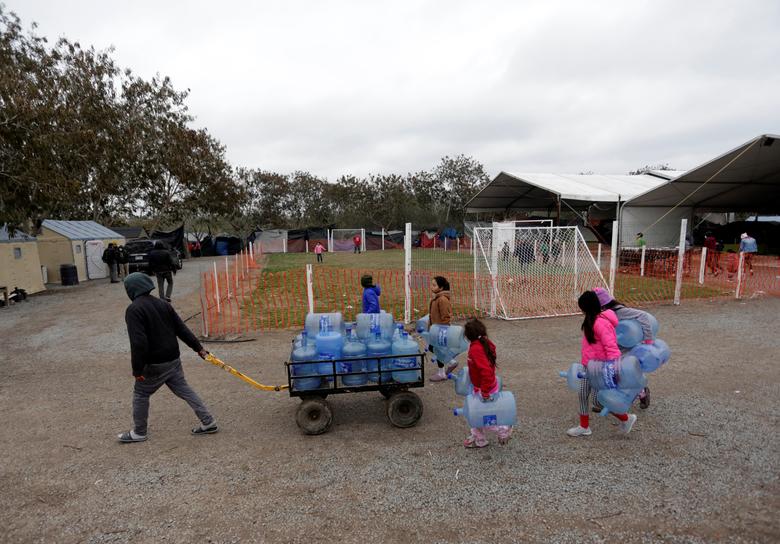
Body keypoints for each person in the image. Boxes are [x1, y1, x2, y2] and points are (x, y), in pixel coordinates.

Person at [117, 272, 217, 443]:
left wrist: (137, 369)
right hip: (173, 359)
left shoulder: (134, 310)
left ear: (131, 290)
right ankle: (208, 421)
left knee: (141, 394)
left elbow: (139, 342)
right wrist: (198, 348)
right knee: (184, 389)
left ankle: (139, 432)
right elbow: (181, 329)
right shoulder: (163, 304)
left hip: (154, 364)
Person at [567, 290, 637, 437]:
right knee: (582, 394)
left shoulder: (601, 323)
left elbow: (611, 348)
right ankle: (584, 426)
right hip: (588, 366)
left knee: (598, 401)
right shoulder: (590, 320)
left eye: (582, 308)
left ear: (588, 307)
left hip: (601, 369)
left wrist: (612, 369)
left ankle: (626, 418)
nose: (581, 311)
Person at [594, 287, 653, 409]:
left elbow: (643, 316)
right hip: (611, 348)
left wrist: (648, 339)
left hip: (627, 349)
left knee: (627, 374)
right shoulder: (599, 315)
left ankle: (642, 393)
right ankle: (607, 400)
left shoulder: (621, 311)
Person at [462, 318, 512, 448]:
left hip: (485, 389)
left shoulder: (476, 349)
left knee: (485, 417)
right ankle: (479, 438)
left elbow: (486, 371)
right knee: (474, 413)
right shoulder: (483, 343)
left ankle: (504, 428)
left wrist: (484, 391)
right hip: (481, 387)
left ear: (468, 336)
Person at [427, 276, 456, 382]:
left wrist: (441, 330)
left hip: (440, 331)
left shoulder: (442, 300)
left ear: (441, 287)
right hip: (435, 330)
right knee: (433, 348)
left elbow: (446, 317)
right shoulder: (437, 298)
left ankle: (442, 373)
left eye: (434, 285)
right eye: (432, 284)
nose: (432, 287)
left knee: (437, 350)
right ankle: (451, 361)